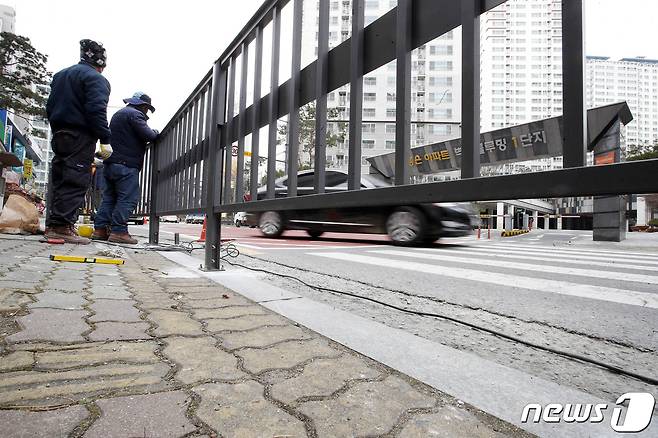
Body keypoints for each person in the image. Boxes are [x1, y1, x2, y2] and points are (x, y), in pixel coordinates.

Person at [45, 39, 113, 244]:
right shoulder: (96, 79)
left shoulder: (60, 76)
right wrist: (105, 138)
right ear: (101, 63)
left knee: (59, 177)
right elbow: (96, 110)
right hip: (80, 134)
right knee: (75, 178)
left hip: (59, 133)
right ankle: (62, 227)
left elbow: (50, 106)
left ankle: (54, 224)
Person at [92, 92, 158, 244]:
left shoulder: (118, 114)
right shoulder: (135, 115)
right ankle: (119, 231)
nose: (146, 112)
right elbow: (149, 135)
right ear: (143, 106)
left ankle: (100, 230)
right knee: (127, 199)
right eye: (146, 109)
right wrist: (155, 132)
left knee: (109, 198)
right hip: (126, 165)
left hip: (110, 164)